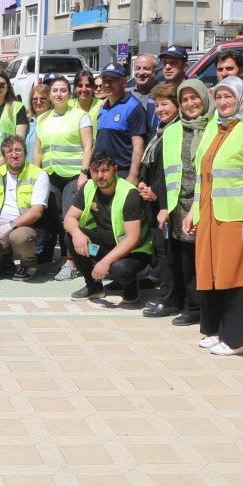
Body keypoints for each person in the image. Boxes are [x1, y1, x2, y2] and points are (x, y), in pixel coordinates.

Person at [186, 77, 243, 356]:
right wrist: (193, 210)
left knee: (239, 275)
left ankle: (238, 339)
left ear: (241, 97)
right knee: (213, 273)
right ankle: (216, 329)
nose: (224, 102)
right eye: (220, 97)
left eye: (229, 97)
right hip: (211, 216)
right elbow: (205, 175)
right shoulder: (217, 127)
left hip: (240, 218)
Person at [142, 80, 212, 326]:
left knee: (197, 258)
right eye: (185, 100)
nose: (190, 104)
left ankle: (197, 306)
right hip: (176, 203)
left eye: (194, 98)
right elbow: (167, 170)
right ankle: (188, 304)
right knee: (181, 257)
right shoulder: (170, 130)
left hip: (202, 202)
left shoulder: (213, 127)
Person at [63, 151, 154, 305]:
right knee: (71, 238)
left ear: (115, 170)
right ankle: (94, 287)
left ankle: (131, 284)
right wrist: (77, 234)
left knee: (119, 269)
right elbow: (69, 218)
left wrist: (105, 262)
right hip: (103, 248)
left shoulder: (129, 194)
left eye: (105, 170)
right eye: (95, 171)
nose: (99, 176)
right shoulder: (89, 186)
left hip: (133, 252)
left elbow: (133, 239)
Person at [36, 75, 94, 281]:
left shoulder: (80, 116)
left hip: (72, 176)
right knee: (56, 220)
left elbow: (88, 146)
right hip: (50, 176)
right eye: (54, 90)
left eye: (63, 90)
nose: (58, 94)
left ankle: (72, 261)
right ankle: (62, 258)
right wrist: (35, 175)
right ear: (49, 94)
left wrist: (84, 173)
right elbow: (38, 151)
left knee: (70, 219)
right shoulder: (42, 118)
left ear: (70, 94)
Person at [0, 134, 48, 280]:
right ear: (4, 156)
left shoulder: (39, 174)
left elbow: (37, 212)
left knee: (19, 237)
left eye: (18, 150)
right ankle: (6, 258)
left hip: (25, 227)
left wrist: (10, 226)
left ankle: (29, 263)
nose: (14, 155)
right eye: (9, 151)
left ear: (25, 152)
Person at [137, 83, 184, 317]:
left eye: (165, 104)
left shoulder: (177, 130)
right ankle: (169, 296)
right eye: (156, 105)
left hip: (168, 201)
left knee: (167, 252)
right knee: (161, 249)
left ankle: (170, 299)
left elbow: (172, 170)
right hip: (154, 199)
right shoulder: (160, 130)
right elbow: (151, 164)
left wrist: (156, 193)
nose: (160, 109)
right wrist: (143, 184)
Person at [94, 62, 148, 184]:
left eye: (112, 80)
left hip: (122, 173)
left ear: (123, 81)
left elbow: (138, 145)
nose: (107, 84)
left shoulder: (133, 107)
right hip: (101, 172)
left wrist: (133, 175)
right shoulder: (103, 107)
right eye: (105, 80)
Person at [26, 82, 51, 161]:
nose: (38, 102)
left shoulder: (54, 122)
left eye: (43, 99)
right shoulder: (27, 123)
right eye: (35, 99)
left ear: (50, 101)